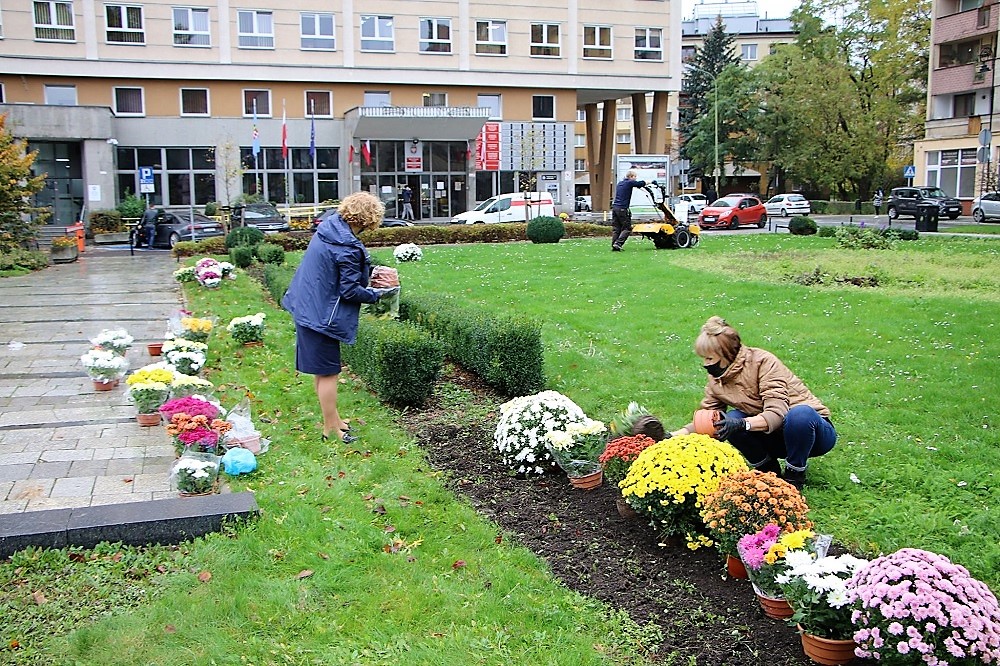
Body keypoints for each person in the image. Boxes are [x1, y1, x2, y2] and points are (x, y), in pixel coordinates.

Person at [282, 192, 398, 443]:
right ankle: (330, 428)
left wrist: (367, 272)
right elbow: (349, 291)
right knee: (329, 372)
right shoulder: (347, 246)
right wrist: (379, 294)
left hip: (306, 306)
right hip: (322, 316)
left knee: (322, 371)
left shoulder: (329, 230)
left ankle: (334, 419)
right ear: (369, 219)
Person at [668, 316, 836, 489]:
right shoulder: (717, 379)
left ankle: (795, 475)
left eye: (709, 359)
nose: (705, 365)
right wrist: (673, 436)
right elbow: (709, 419)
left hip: (812, 434)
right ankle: (767, 471)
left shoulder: (763, 362)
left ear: (726, 354)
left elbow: (777, 414)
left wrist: (742, 424)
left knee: (800, 415)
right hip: (773, 435)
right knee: (727, 419)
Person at [611, 170, 646, 251]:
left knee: (617, 228)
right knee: (627, 228)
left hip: (615, 208)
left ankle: (614, 245)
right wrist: (650, 182)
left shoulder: (620, 183)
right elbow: (640, 183)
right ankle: (618, 243)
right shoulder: (629, 182)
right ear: (631, 177)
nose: (635, 178)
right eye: (635, 177)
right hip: (623, 208)